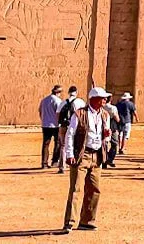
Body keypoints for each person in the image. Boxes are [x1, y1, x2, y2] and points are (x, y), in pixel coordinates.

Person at [61, 87, 111, 234]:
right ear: (94, 99)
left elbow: (105, 136)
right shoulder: (79, 114)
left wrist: (106, 135)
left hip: (97, 156)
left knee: (94, 189)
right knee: (76, 189)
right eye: (102, 98)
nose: (105, 100)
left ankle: (87, 221)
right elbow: (70, 134)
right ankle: (69, 222)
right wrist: (69, 154)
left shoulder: (105, 115)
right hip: (81, 156)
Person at [39, 85, 65, 169]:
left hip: (45, 125)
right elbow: (59, 113)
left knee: (45, 144)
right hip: (55, 125)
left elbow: (40, 111)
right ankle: (54, 161)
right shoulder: (58, 101)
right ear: (58, 92)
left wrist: (43, 119)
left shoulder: (44, 100)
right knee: (57, 143)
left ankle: (44, 163)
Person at [55, 86, 79, 174]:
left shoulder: (63, 102)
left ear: (69, 92)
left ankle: (62, 166)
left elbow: (57, 114)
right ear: (76, 92)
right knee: (76, 145)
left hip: (64, 126)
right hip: (75, 126)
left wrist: (59, 124)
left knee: (63, 145)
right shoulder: (80, 102)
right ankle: (74, 164)